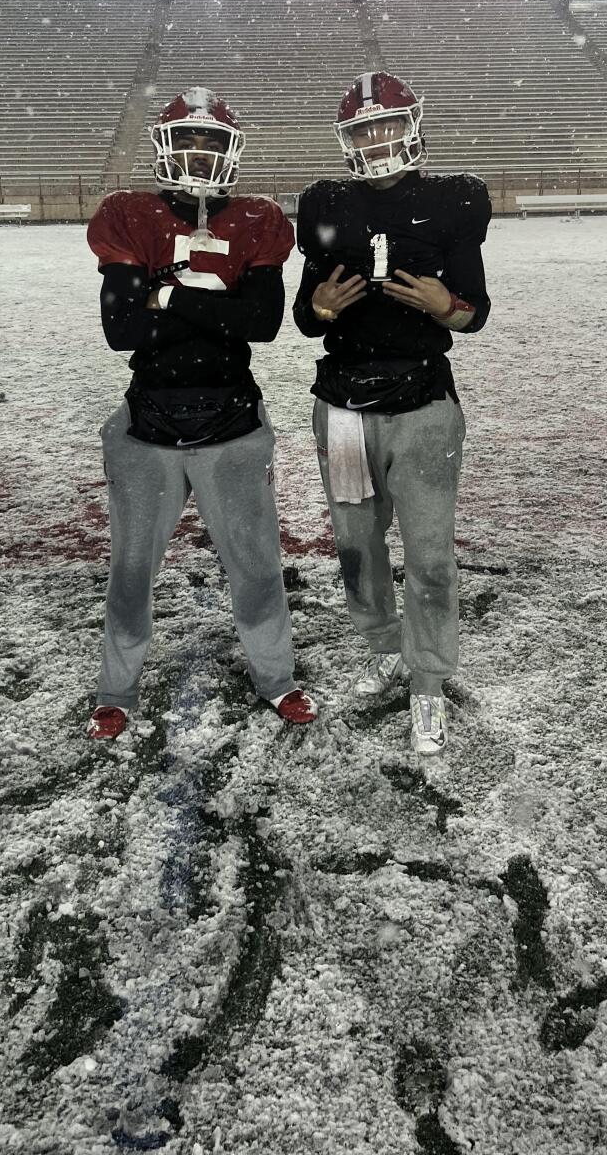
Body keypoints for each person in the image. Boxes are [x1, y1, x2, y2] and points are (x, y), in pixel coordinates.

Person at [84, 88, 317, 738]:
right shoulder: (130, 214)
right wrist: (213, 300)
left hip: (231, 420)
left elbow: (263, 323)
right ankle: (116, 691)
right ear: (163, 147)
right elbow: (122, 330)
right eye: (185, 139)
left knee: (256, 566)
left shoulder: (257, 220)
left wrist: (169, 293)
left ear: (230, 151)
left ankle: (277, 679)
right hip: (147, 424)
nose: (196, 152)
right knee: (132, 569)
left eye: (209, 141)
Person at [293, 72, 490, 756]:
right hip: (342, 410)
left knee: (430, 555)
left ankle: (429, 680)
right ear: (347, 141)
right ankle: (382, 644)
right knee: (357, 544)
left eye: (386, 126)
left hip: (423, 406)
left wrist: (448, 309)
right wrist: (318, 310)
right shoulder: (325, 204)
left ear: (411, 126)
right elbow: (304, 317)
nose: (377, 141)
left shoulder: (452, 201)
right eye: (363, 131)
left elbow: (475, 312)